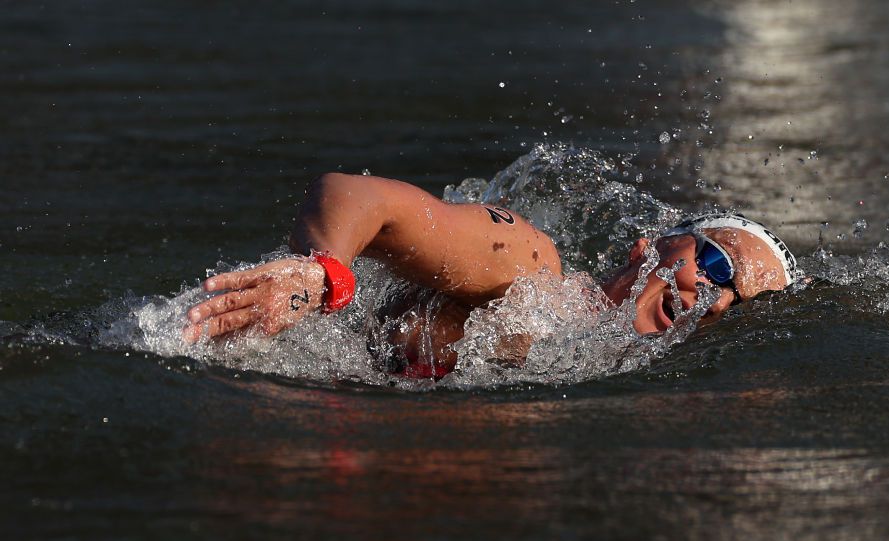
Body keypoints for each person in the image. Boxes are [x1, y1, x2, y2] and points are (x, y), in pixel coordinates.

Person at [183, 172, 799, 378]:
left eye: (735, 302)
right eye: (715, 264)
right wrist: (324, 274)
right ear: (653, 246)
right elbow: (361, 196)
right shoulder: (530, 269)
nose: (713, 300)